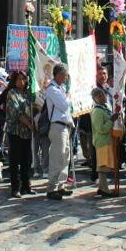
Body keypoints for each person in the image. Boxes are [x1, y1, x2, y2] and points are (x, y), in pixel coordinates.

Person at [44, 64, 74, 201]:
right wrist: (69, 96)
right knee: (57, 157)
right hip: (57, 126)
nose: (66, 77)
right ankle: (52, 188)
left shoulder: (61, 88)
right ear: (57, 75)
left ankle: (61, 185)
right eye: (64, 75)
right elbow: (64, 105)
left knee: (65, 157)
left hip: (65, 126)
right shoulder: (52, 89)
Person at [4, 71, 34, 198]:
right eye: (19, 79)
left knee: (26, 160)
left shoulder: (28, 94)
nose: (21, 82)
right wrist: (29, 124)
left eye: (23, 79)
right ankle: (15, 188)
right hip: (15, 131)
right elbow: (16, 111)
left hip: (26, 133)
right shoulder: (12, 93)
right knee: (15, 160)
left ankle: (26, 185)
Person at [91, 86, 117, 197]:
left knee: (104, 165)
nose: (103, 97)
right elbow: (100, 129)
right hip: (102, 141)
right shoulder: (97, 111)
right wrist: (111, 120)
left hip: (108, 140)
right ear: (95, 99)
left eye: (103, 95)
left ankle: (102, 188)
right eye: (99, 96)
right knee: (102, 166)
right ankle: (104, 189)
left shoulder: (105, 108)